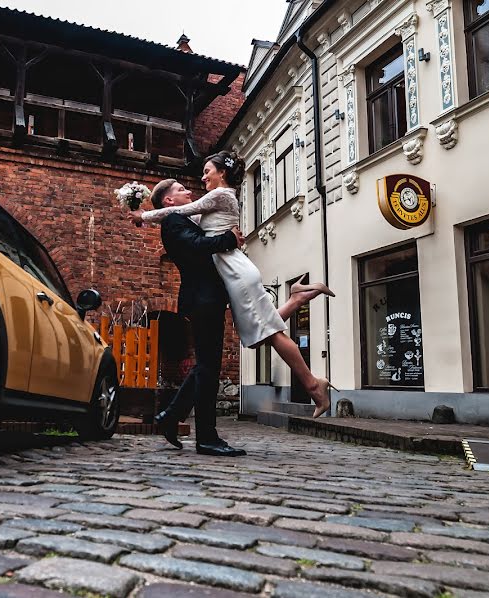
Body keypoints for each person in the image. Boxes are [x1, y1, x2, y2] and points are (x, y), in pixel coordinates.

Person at [130, 151, 336, 419]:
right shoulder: (214, 201)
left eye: (207, 171)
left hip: (235, 270)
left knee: (272, 333)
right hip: (232, 268)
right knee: (255, 334)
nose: (202, 177)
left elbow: (180, 211)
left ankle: (313, 387)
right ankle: (296, 299)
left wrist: (143, 216)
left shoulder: (221, 195)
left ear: (222, 173)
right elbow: (185, 222)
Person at [149, 185, 246, 456]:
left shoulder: (184, 219)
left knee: (206, 366)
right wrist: (228, 239)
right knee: (208, 369)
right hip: (201, 298)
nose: (188, 192)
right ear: (168, 199)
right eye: (181, 190)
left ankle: (171, 416)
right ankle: (206, 438)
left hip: (207, 297)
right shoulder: (172, 221)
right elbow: (196, 247)